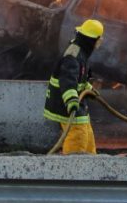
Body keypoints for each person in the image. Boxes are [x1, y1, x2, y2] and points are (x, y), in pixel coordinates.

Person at [44, 18, 104, 154]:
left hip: (76, 104)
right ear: (94, 40)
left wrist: (88, 89)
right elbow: (68, 81)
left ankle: (90, 164)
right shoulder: (73, 55)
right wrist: (71, 100)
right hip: (66, 105)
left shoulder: (81, 52)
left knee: (86, 133)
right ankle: (72, 167)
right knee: (78, 135)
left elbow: (79, 78)